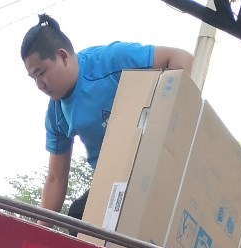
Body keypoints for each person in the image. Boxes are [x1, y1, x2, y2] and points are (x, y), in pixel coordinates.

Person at [21, 15, 194, 216]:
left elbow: (181, 58)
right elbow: (55, 178)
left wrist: (166, 130)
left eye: (41, 73)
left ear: (62, 56)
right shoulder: (56, 115)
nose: (39, 85)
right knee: (78, 214)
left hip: (154, 161)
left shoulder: (109, 61)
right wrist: (38, 230)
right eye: (33, 78)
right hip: (113, 183)